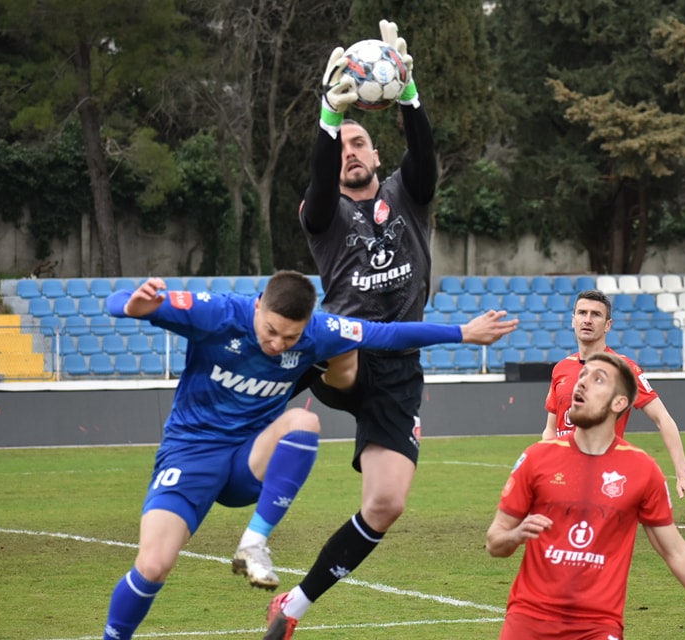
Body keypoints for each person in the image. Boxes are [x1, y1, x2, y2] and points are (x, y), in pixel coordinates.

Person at [99, 271, 516, 640]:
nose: (278, 344)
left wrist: (462, 332)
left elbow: (387, 335)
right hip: (190, 456)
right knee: (153, 565)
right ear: (258, 305)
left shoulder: (322, 331)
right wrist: (136, 305)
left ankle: (254, 542)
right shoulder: (217, 313)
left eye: (291, 337)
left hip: (250, 460)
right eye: (271, 330)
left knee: (303, 423)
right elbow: (118, 303)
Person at [264, 19, 436, 640]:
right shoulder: (322, 216)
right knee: (338, 343)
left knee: (385, 504)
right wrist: (327, 117)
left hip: (399, 374)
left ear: (377, 153)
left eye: (360, 142)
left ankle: (294, 608)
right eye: (343, 146)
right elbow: (314, 177)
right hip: (345, 354)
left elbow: (426, 159)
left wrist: (410, 94)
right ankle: (278, 399)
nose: (351, 152)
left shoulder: (408, 197)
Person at [487, 352, 685, 640]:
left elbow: (676, 551)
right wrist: (515, 535)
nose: (581, 384)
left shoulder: (642, 470)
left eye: (597, 379)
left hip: (598, 627)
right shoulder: (536, 458)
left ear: (620, 403)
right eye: (582, 377)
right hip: (529, 621)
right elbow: (495, 542)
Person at [544, 289, 685, 501]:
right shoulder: (561, 368)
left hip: (604, 473)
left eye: (596, 314)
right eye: (582, 313)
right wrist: (546, 465)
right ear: (573, 320)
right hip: (564, 474)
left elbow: (662, 418)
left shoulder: (623, 368)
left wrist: (683, 473)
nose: (587, 320)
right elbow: (550, 429)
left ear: (608, 325)